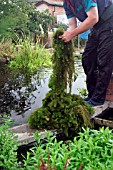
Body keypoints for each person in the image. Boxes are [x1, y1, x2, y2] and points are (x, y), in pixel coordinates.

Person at [59, 0, 113, 107]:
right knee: (87, 59)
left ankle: (98, 99)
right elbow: (72, 25)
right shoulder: (66, 4)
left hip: (110, 21)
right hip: (97, 27)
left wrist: (72, 34)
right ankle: (92, 94)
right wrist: (67, 36)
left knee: (103, 61)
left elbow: (93, 17)